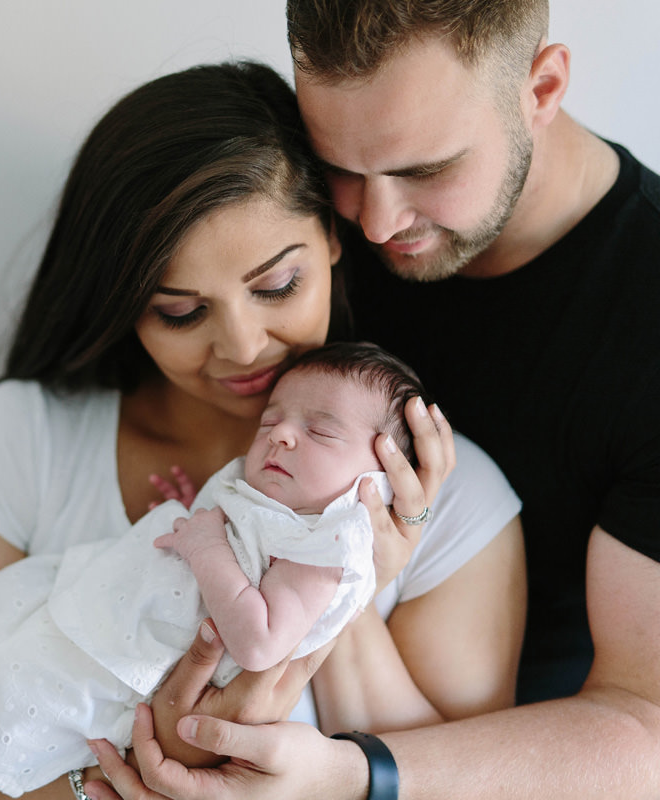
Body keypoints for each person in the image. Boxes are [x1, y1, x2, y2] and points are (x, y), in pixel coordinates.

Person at [0, 59, 525, 800]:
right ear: (124, 304)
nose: (243, 346)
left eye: (278, 285)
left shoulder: (458, 503)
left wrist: (346, 577)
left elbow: (455, 780)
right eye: (181, 311)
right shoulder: (23, 440)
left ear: (334, 240)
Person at [81, 2, 660, 799]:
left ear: (543, 85)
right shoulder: (305, 222)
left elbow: (646, 730)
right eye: (342, 170)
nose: (377, 222)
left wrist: (357, 774)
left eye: (427, 170)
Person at [0, 343, 423, 800]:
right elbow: (226, 524)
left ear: (379, 479)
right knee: (1, 604)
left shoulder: (321, 552)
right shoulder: (268, 496)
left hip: (131, 656)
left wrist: (205, 546)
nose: (281, 433)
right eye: (271, 420)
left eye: (320, 431)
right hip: (101, 588)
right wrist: (195, 511)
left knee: (24, 705)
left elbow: (260, 641)